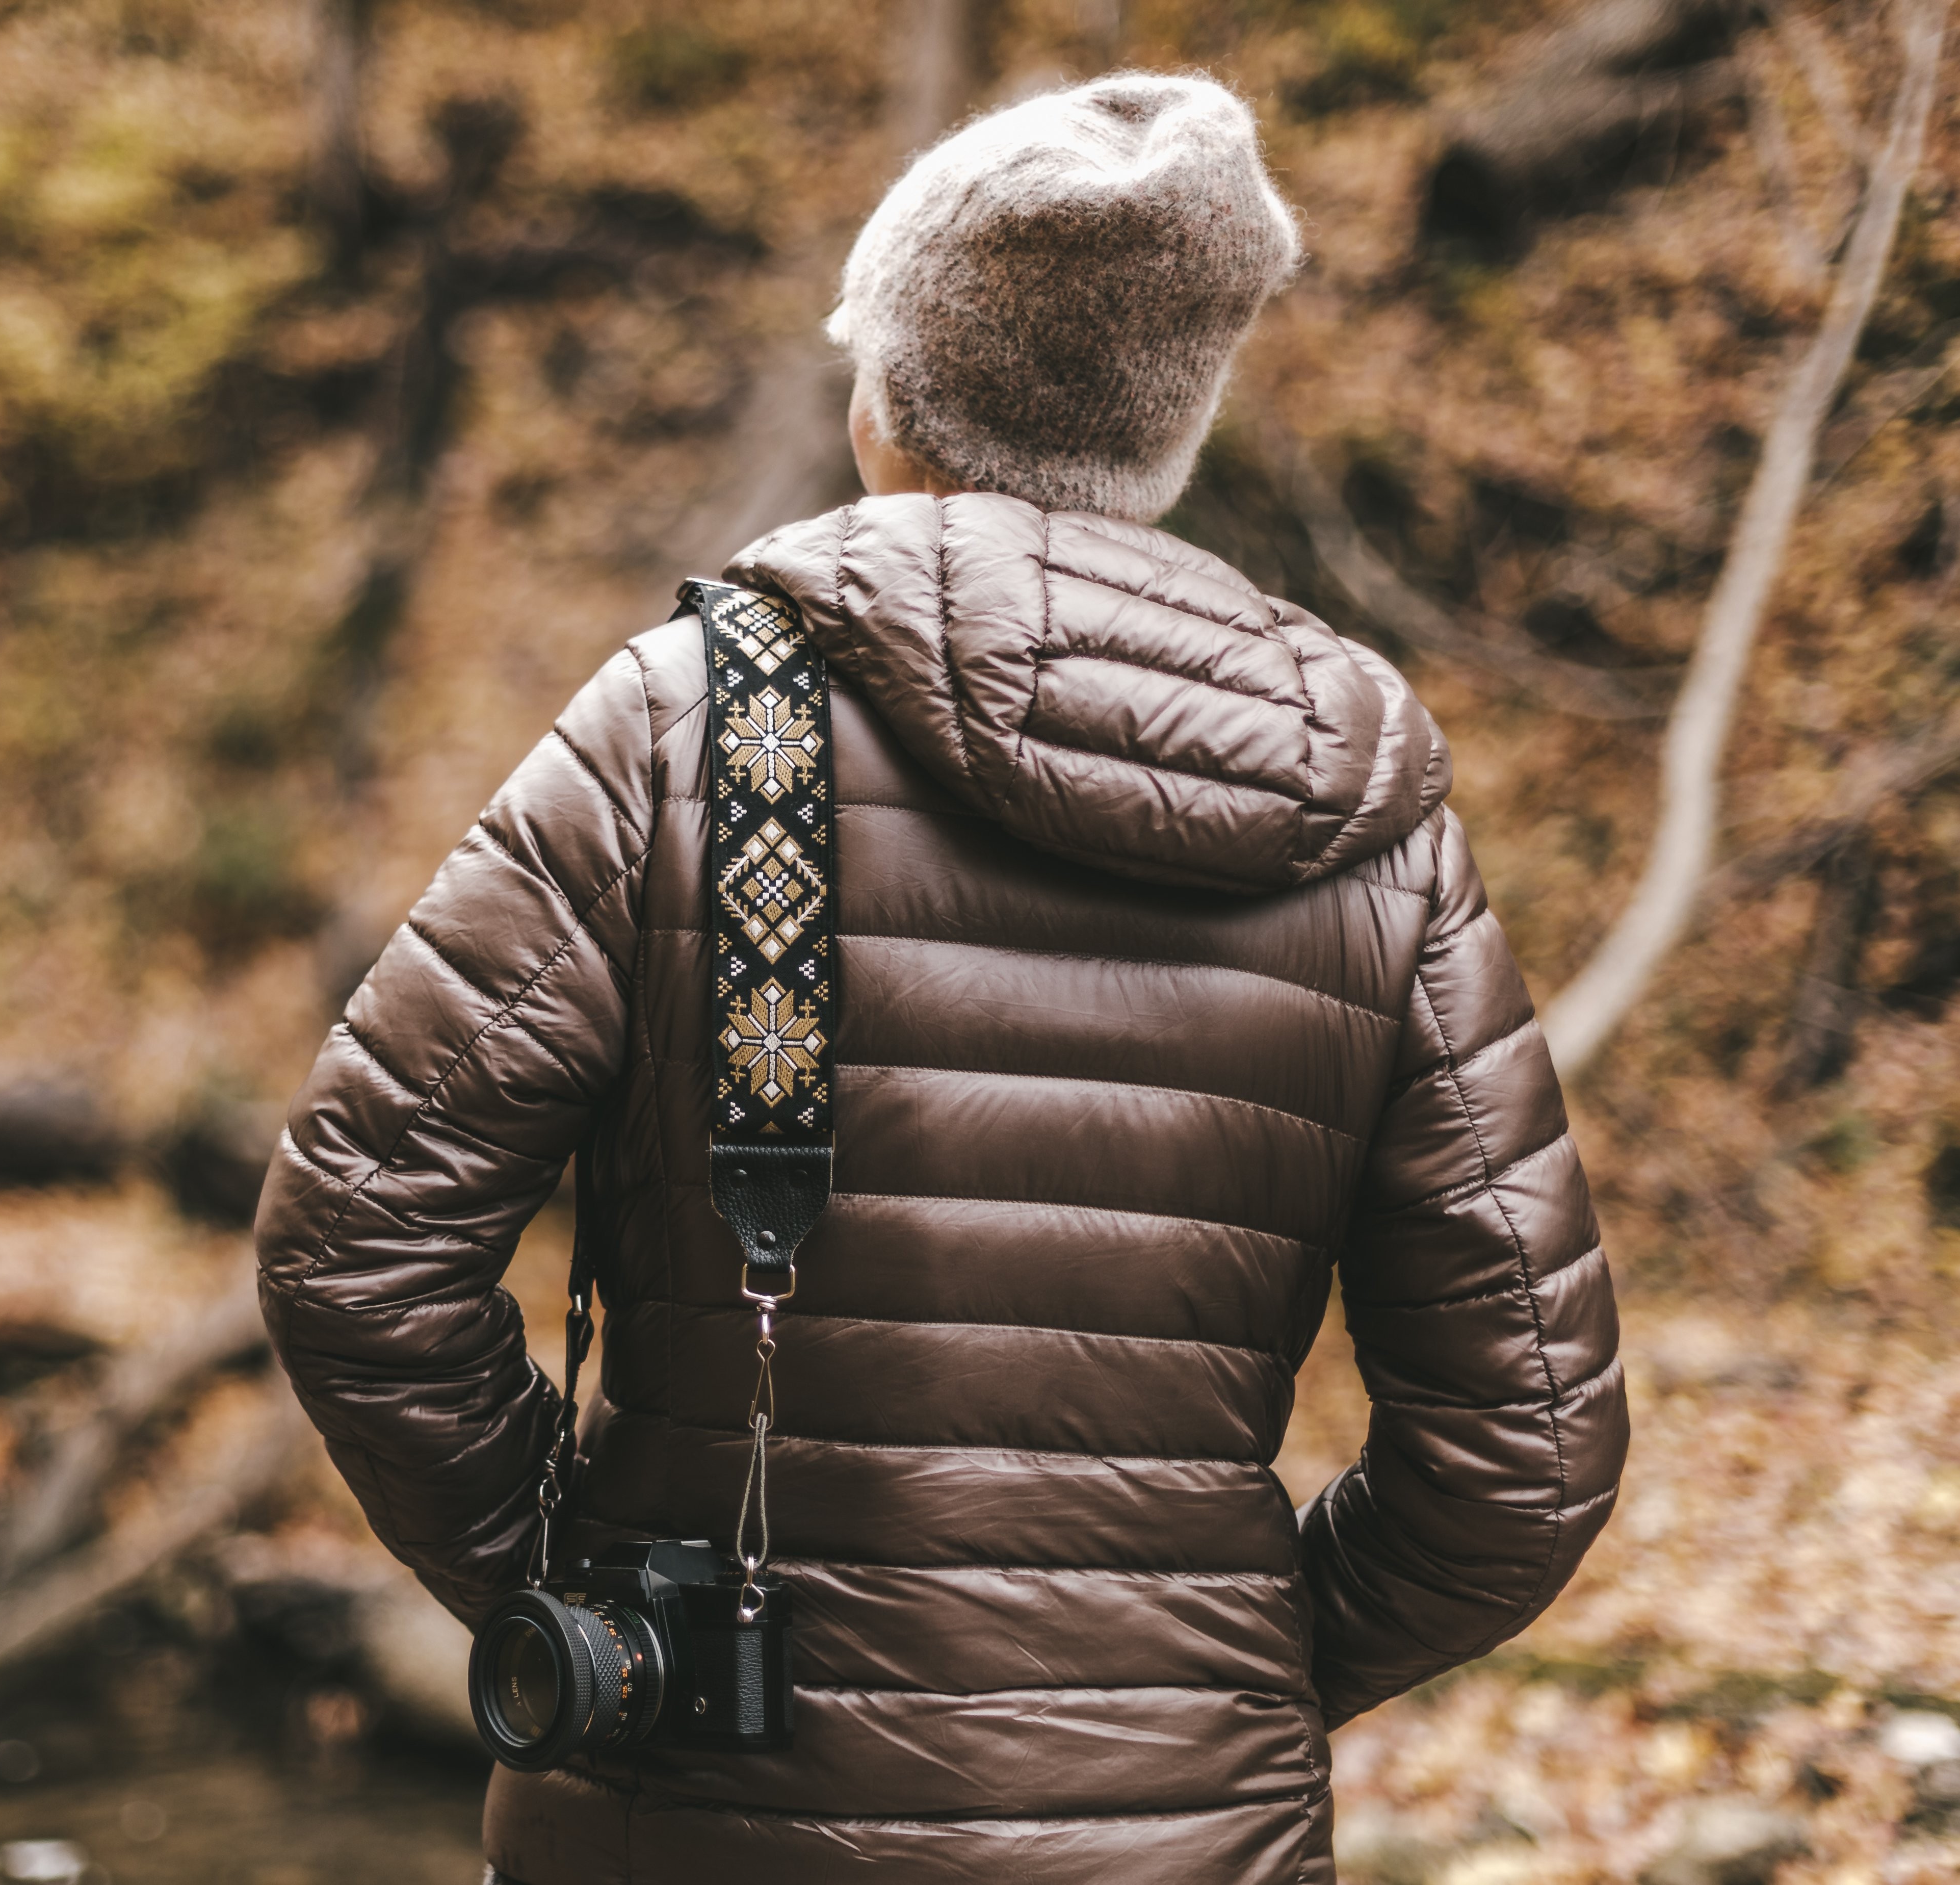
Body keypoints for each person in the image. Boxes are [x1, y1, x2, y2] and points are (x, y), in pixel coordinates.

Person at [254, 71, 1626, 1885]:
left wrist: (580, 1593)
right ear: (1173, 437)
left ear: (881, 404)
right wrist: (1210, 1684)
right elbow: (1529, 1445)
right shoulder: (1366, 818)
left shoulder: (686, 730)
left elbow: (355, 1238)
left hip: (703, 1827)